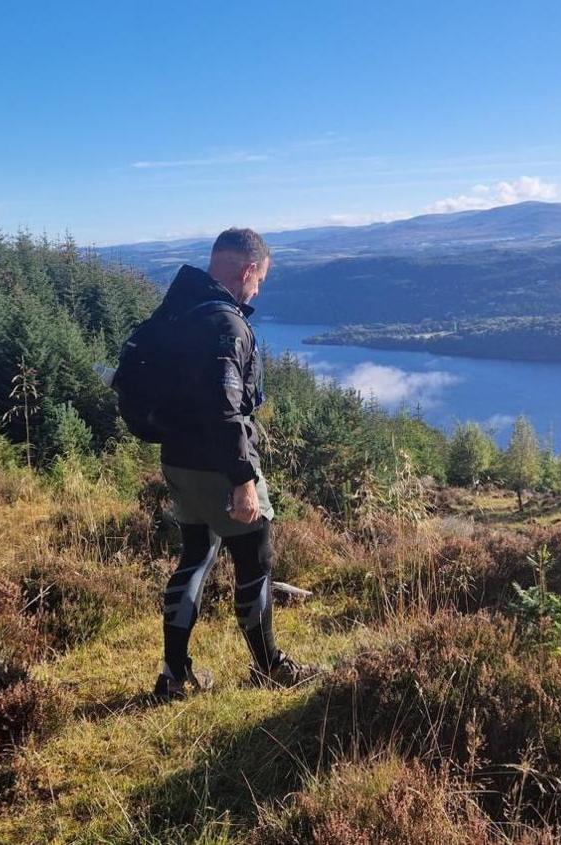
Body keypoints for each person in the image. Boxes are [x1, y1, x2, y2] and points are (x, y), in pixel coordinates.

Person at [151, 227, 320, 702]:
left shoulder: (179, 312)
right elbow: (226, 409)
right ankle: (270, 668)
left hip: (177, 460)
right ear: (247, 269)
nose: (257, 289)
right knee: (255, 560)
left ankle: (173, 675)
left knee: (196, 555)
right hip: (219, 463)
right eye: (260, 280)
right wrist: (243, 478)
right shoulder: (227, 325)